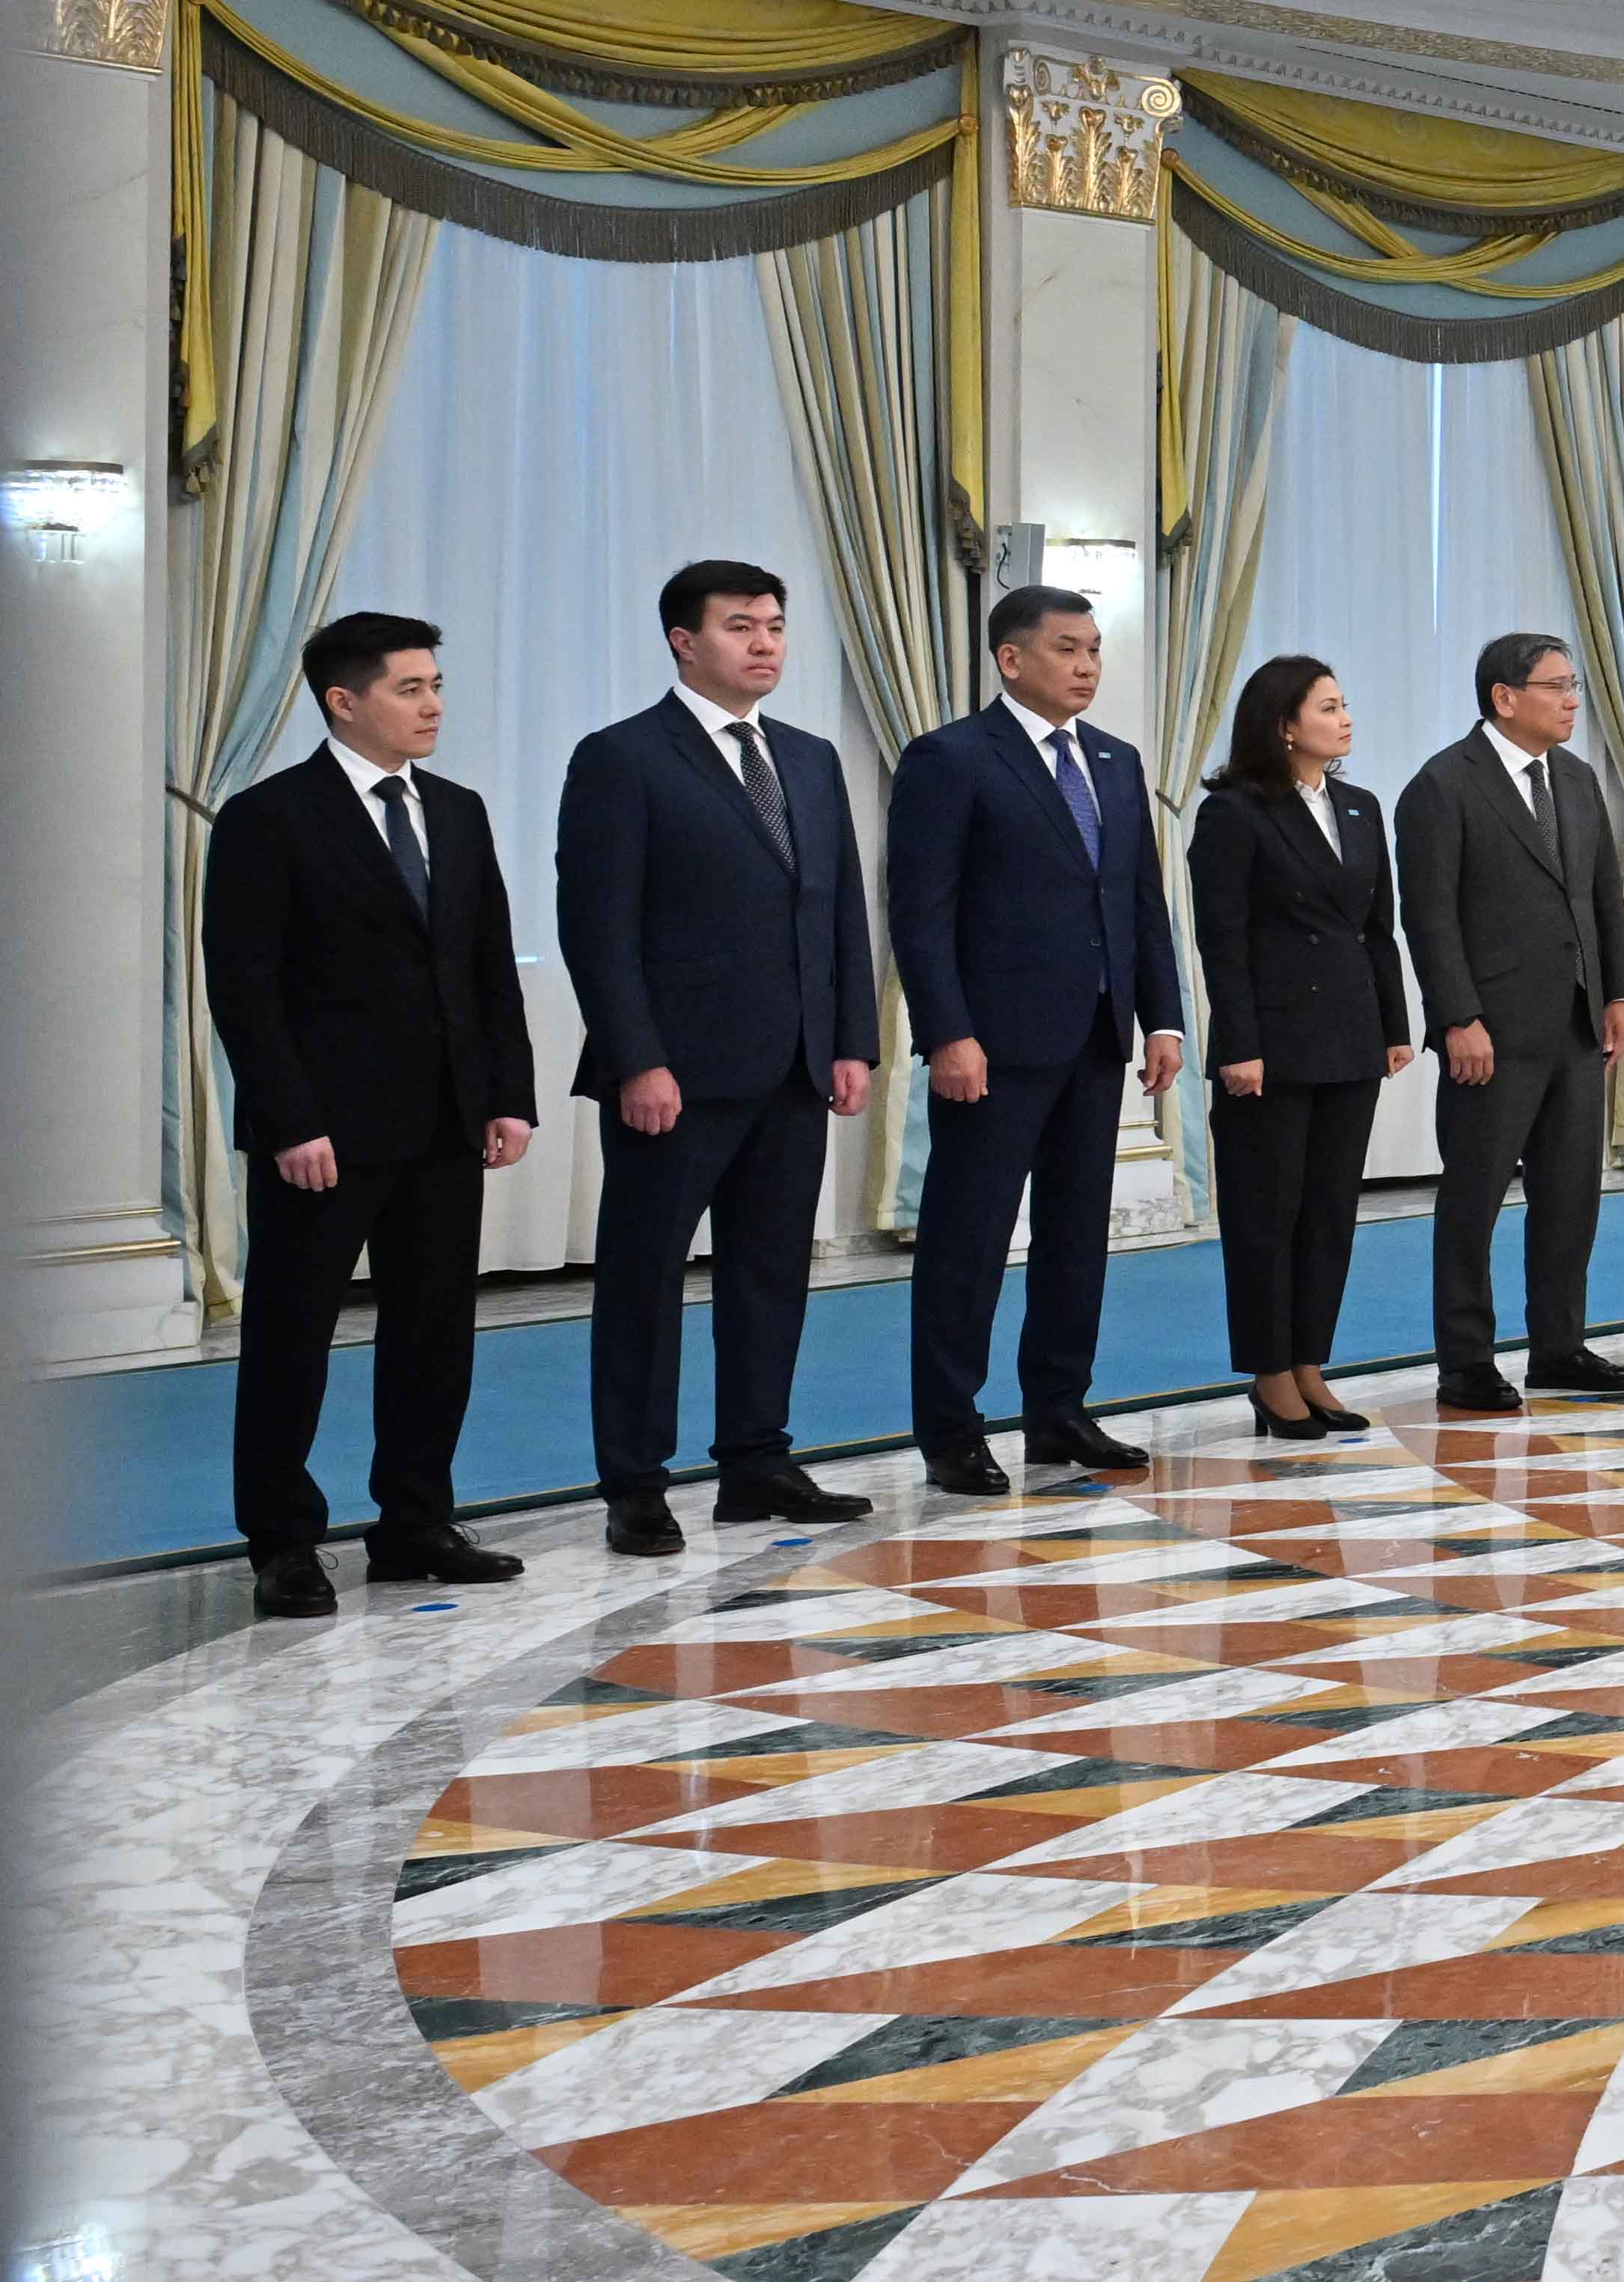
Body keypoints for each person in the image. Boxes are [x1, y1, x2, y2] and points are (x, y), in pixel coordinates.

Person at [201, 612, 540, 1615]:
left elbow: (487, 965)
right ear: (344, 701)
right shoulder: (269, 816)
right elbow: (244, 985)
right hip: (323, 1131)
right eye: (409, 687)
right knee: (292, 1335)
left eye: (436, 684)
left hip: (445, 1120)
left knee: (435, 1331)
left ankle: (415, 1521)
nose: (433, 704)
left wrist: (508, 1095)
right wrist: (288, 1118)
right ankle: (282, 1540)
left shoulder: (458, 809)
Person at [556, 558, 879, 1555]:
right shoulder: (623, 757)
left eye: (774, 625)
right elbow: (597, 927)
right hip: (674, 1075)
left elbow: (839, 910)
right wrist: (636, 1058)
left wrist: (853, 1041)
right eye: (741, 626)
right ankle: (635, 1482)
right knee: (645, 1281)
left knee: (771, 1273)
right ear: (683, 641)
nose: (764, 642)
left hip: (795, 1066)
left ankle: (756, 1460)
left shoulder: (810, 757)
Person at [888, 585, 1188, 1490]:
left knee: (1074, 1237)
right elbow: (921, 911)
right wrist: (948, 1031)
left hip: (1095, 1037)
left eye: (1094, 648)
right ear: (1011, 658)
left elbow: (1138, 899)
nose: (1087, 665)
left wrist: (1161, 1015)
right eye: (1067, 648)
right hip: (992, 1045)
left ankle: (1058, 1409)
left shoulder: (1116, 759)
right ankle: (951, 1429)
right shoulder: (951, 757)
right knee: (968, 1240)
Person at [1397, 632, 1624, 1410]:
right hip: (1491, 1033)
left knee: (1571, 1196)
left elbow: (1603, 894)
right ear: (1505, 697)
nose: (1572, 700)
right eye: (1556, 686)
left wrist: (1619, 992)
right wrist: (1456, 1017)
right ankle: (1465, 1361)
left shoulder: (1575, 776)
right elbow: (1429, 915)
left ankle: (1559, 1346)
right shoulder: (1443, 784)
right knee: (1473, 1201)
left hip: (1576, 1023)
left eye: (1574, 685)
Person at [1186, 654, 1411, 1440]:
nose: (1345, 719)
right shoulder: (1235, 812)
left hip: (1351, 1037)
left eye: (1344, 704)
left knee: (1329, 1213)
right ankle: (1270, 1371)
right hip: (1271, 1044)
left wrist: (1394, 1025)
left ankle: (1311, 1360)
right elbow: (1222, 940)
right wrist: (1238, 1043)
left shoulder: (1359, 805)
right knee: (1267, 1213)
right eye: (1327, 707)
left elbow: (1378, 927)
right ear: (1284, 724)